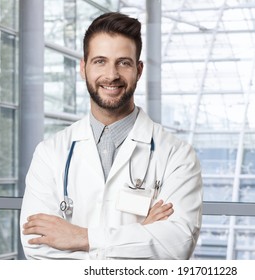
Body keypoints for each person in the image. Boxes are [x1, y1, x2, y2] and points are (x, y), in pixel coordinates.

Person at [20, 12, 203, 260]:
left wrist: (81, 238)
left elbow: (175, 246)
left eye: (123, 63)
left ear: (138, 70)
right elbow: (37, 248)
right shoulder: (50, 153)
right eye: (100, 61)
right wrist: (141, 234)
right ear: (83, 68)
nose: (112, 75)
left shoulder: (176, 154)